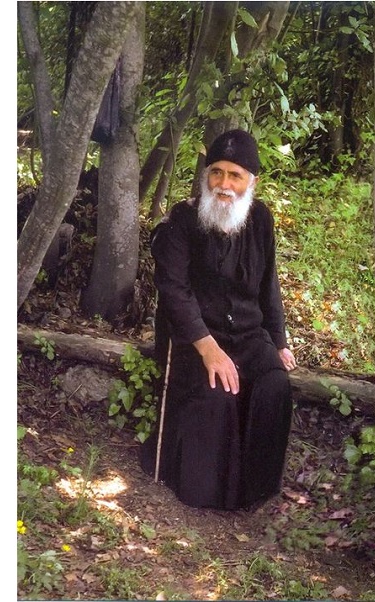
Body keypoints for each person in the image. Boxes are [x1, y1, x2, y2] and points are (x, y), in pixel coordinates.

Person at [140, 129, 297, 511]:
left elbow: (269, 283)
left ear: (251, 182)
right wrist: (208, 349)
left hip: (248, 334)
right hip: (194, 338)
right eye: (216, 172)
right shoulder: (183, 219)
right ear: (206, 175)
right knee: (217, 391)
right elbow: (174, 291)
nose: (224, 184)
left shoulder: (261, 219)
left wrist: (278, 341)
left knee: (275, 385)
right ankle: (207, 496)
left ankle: (256, 492)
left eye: (235, 176)